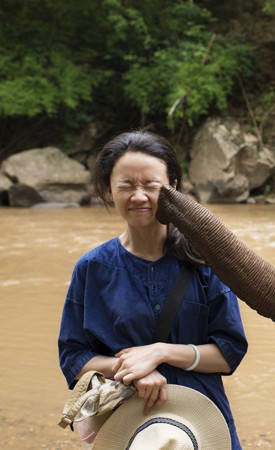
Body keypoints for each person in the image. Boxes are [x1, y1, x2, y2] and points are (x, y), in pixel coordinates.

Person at [58, 130, 248, 448]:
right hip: (127, 425)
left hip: (201, 422)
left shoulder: (206, 260)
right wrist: (130, 370)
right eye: (126, 185)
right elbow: (74, 358)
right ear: (108, 189)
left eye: (151, 185)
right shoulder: (92, 268)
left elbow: (229, 354)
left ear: (173, 187)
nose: (139, 196)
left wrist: (160, 353)